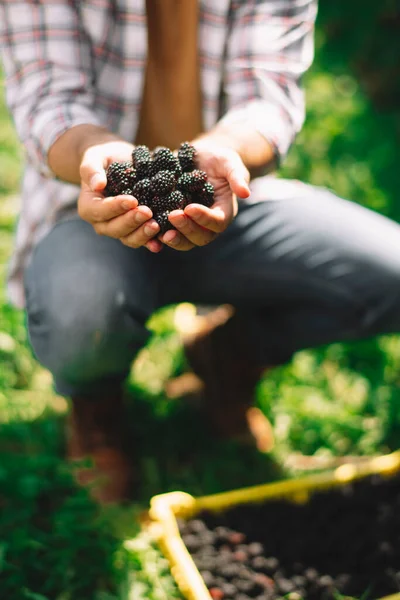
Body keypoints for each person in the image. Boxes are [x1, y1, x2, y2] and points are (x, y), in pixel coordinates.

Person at [2, 0, 400, 504]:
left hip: (234, 196)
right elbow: (47, 100)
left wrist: (226, 154)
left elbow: (268, 99)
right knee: (81, 307)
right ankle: (96, 409)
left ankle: (228, 357)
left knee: (392, 275)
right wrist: (94, 153)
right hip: (88, 213)